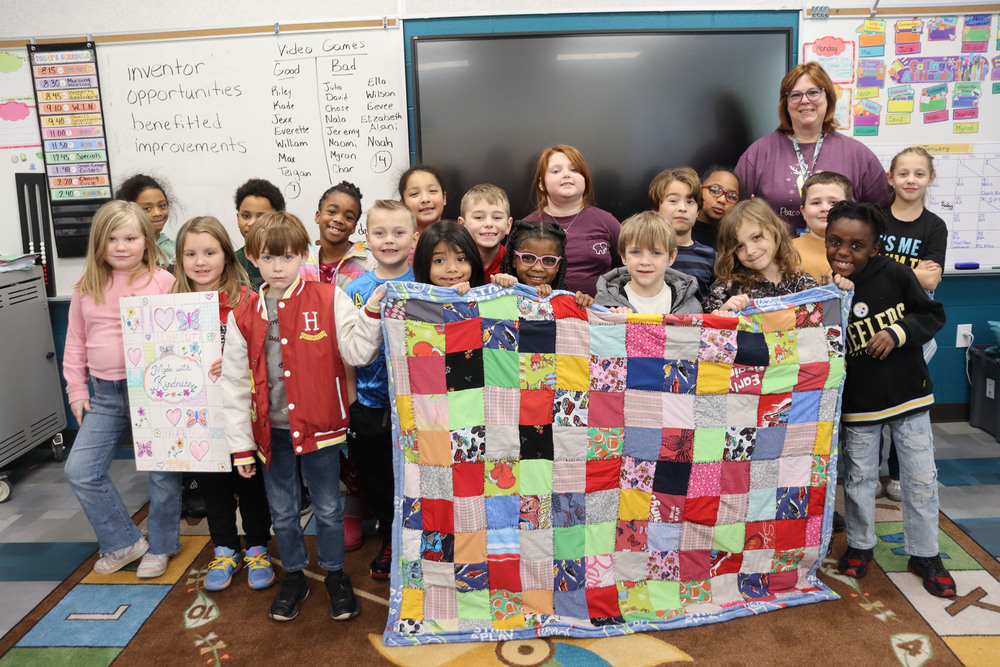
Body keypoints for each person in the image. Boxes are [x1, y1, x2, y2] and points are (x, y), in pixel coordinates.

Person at [220, 211, 386, 622]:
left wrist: (370, 317)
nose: (279, 267)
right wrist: (241, 446)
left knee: (329, 508)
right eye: (269, 258)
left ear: (303, 256)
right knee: (283, 511)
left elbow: (357, 352)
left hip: (322, 427)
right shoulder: (241, 314)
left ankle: (334, 574)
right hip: (270, 432)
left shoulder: (328, 297)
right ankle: (293, 574)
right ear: (253, 258)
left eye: (289, 257)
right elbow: (235, 383)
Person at [826, 200, 954, 598]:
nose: (844, 252)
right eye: (835, 242)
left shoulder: (897, 274)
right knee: (861, 479)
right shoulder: (822, 287)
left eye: (857, 245)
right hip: (859, 404)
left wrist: (898, 331)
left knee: (919, 480)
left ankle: (925, 553)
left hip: (908, 397)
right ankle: (861, 545)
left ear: (875, 247)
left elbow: (932, 314)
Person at [63, 200, 180, 577]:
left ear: (146, 240)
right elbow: (75, 343)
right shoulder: (87, 287)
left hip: (154, 391)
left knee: (161, 471)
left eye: (130, 237)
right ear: (99, 244)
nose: (120, 246)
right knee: (81, 469)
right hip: (106, 394)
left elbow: (180, 335)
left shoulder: (164, 282)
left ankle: (161, 546)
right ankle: (125, 542)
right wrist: (76, 390)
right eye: (111, 238)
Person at [172, 216, 275, 592]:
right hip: (197, 417)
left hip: (242, 412)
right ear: (180, 259)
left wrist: (236, 359)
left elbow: (266, 353)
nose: (201, 262)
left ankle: (259, 547)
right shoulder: (172, 305)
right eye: (191, 253)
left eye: (210, 252)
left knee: (249, 483)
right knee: (212, 485)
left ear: (227, 257)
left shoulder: (247, 301)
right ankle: (226, 549)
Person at [343, 200, 418, 581]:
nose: (389, 240)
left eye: (398, 232)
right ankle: (390, 537)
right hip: (372, 405)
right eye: (380, 233)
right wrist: (353, 402)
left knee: (417, 477)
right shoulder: (354, 290)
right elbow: (346, 353)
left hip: (420, 404)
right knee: (379, 477)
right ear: (366, 240)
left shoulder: (427, 284)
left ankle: (419, 541)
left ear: (414, 238)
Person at [735, 62, 890, 234]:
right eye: (795, 95)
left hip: (839, 259)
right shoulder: (759, 152)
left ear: (828, 98)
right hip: (774, 259)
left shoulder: (857, 154)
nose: (805, 100)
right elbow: (734, 212)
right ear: (786, 103)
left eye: (814, 92)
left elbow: (884, 213)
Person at [880, 146, 948, 503]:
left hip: (914, 328)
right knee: (870, 400)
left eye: (919, 174)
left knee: (906, 405)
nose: (910, 180)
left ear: (930, 179)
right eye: (903, 173)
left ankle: (896, 475)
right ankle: (868, 472)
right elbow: (861, 269)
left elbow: (931, 281)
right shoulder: (874, 217)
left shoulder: (935, 226)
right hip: (870, 324)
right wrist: (910, 273)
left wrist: (887, 271)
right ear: (890, 178)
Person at [524, 145, 620, 296]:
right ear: (541, 184)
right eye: (556, 171)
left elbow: (626, 270)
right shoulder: (526, 227)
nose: (566, 175)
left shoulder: (608, 222)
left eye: (574, 169)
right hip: (543, 314)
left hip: (599, 314)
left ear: (585, 179)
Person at [703, 198, 819, 315]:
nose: (750, 251)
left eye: (756, 237)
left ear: (775, 231)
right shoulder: (724, 289)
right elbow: (705, 326)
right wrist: (721, 313)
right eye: (739, 246)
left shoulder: (803, 282)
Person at [595, 211, 701, 315]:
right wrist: (614, 323)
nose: (645, 262)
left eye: (656, 253)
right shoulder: (606, 305)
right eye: (636, 252)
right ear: (623, 256)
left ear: (671, 257)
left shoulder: (690, 307)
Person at [490, 219, 595, 309]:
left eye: (548, 261)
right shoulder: (501, 290)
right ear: (514, 260)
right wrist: (501, 286)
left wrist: (587, 305)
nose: (538, 267)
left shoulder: (568, 301)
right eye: (528, 258)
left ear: (558, 265)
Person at [649, 167, 715, 302]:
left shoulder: (710, 257)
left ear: (698, 212)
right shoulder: (643, 253)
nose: (683, 208)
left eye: (690, 202)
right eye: (673, 201)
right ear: (655, 209)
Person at [302, 181, 373, 287]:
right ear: (318, 216)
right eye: (332, 212)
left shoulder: (368, 261)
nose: (339, 220)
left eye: (348, 217)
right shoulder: (301, 256)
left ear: (354, 227)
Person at [792, 171, 853, 281]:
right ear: (803, 211)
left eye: (833, 203)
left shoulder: (859, 249)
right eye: (816, 203)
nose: (825, 208)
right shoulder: (787, 250)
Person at [233, 178, 286, 290]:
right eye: (246, 216)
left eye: (261, 217)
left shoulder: (290, 261)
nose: (252, 223)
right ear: (238, 218)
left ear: (279, 219)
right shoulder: (229, 263)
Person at [412, 220, 485, 295]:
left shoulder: (485, 297)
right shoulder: (412, 302)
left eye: (461, 259)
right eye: (439, 261)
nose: (452, 269)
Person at [117, 174, 175, 266]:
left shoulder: (179, 249)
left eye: (162, 206)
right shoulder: (121, 252)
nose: (157, 213)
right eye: (147, 208)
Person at [458, 183, 513, 280]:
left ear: (508, 226)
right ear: (462, 225)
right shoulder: (453, 264)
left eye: (497, 217)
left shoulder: (515, 263)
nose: (488, 224)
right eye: (479, 217)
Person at [692, 166, 743, 249]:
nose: (722, 200)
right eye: (715, 190)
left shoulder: (732, 242)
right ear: (699, 188)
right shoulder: (680, 229)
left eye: (731, 196)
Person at [398, 164, 446, 232]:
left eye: (432, 191)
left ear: (444, 198)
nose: (425, 199)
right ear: (403, 205)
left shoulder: (458, 239)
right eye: (414, 193)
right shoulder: (399, 241)